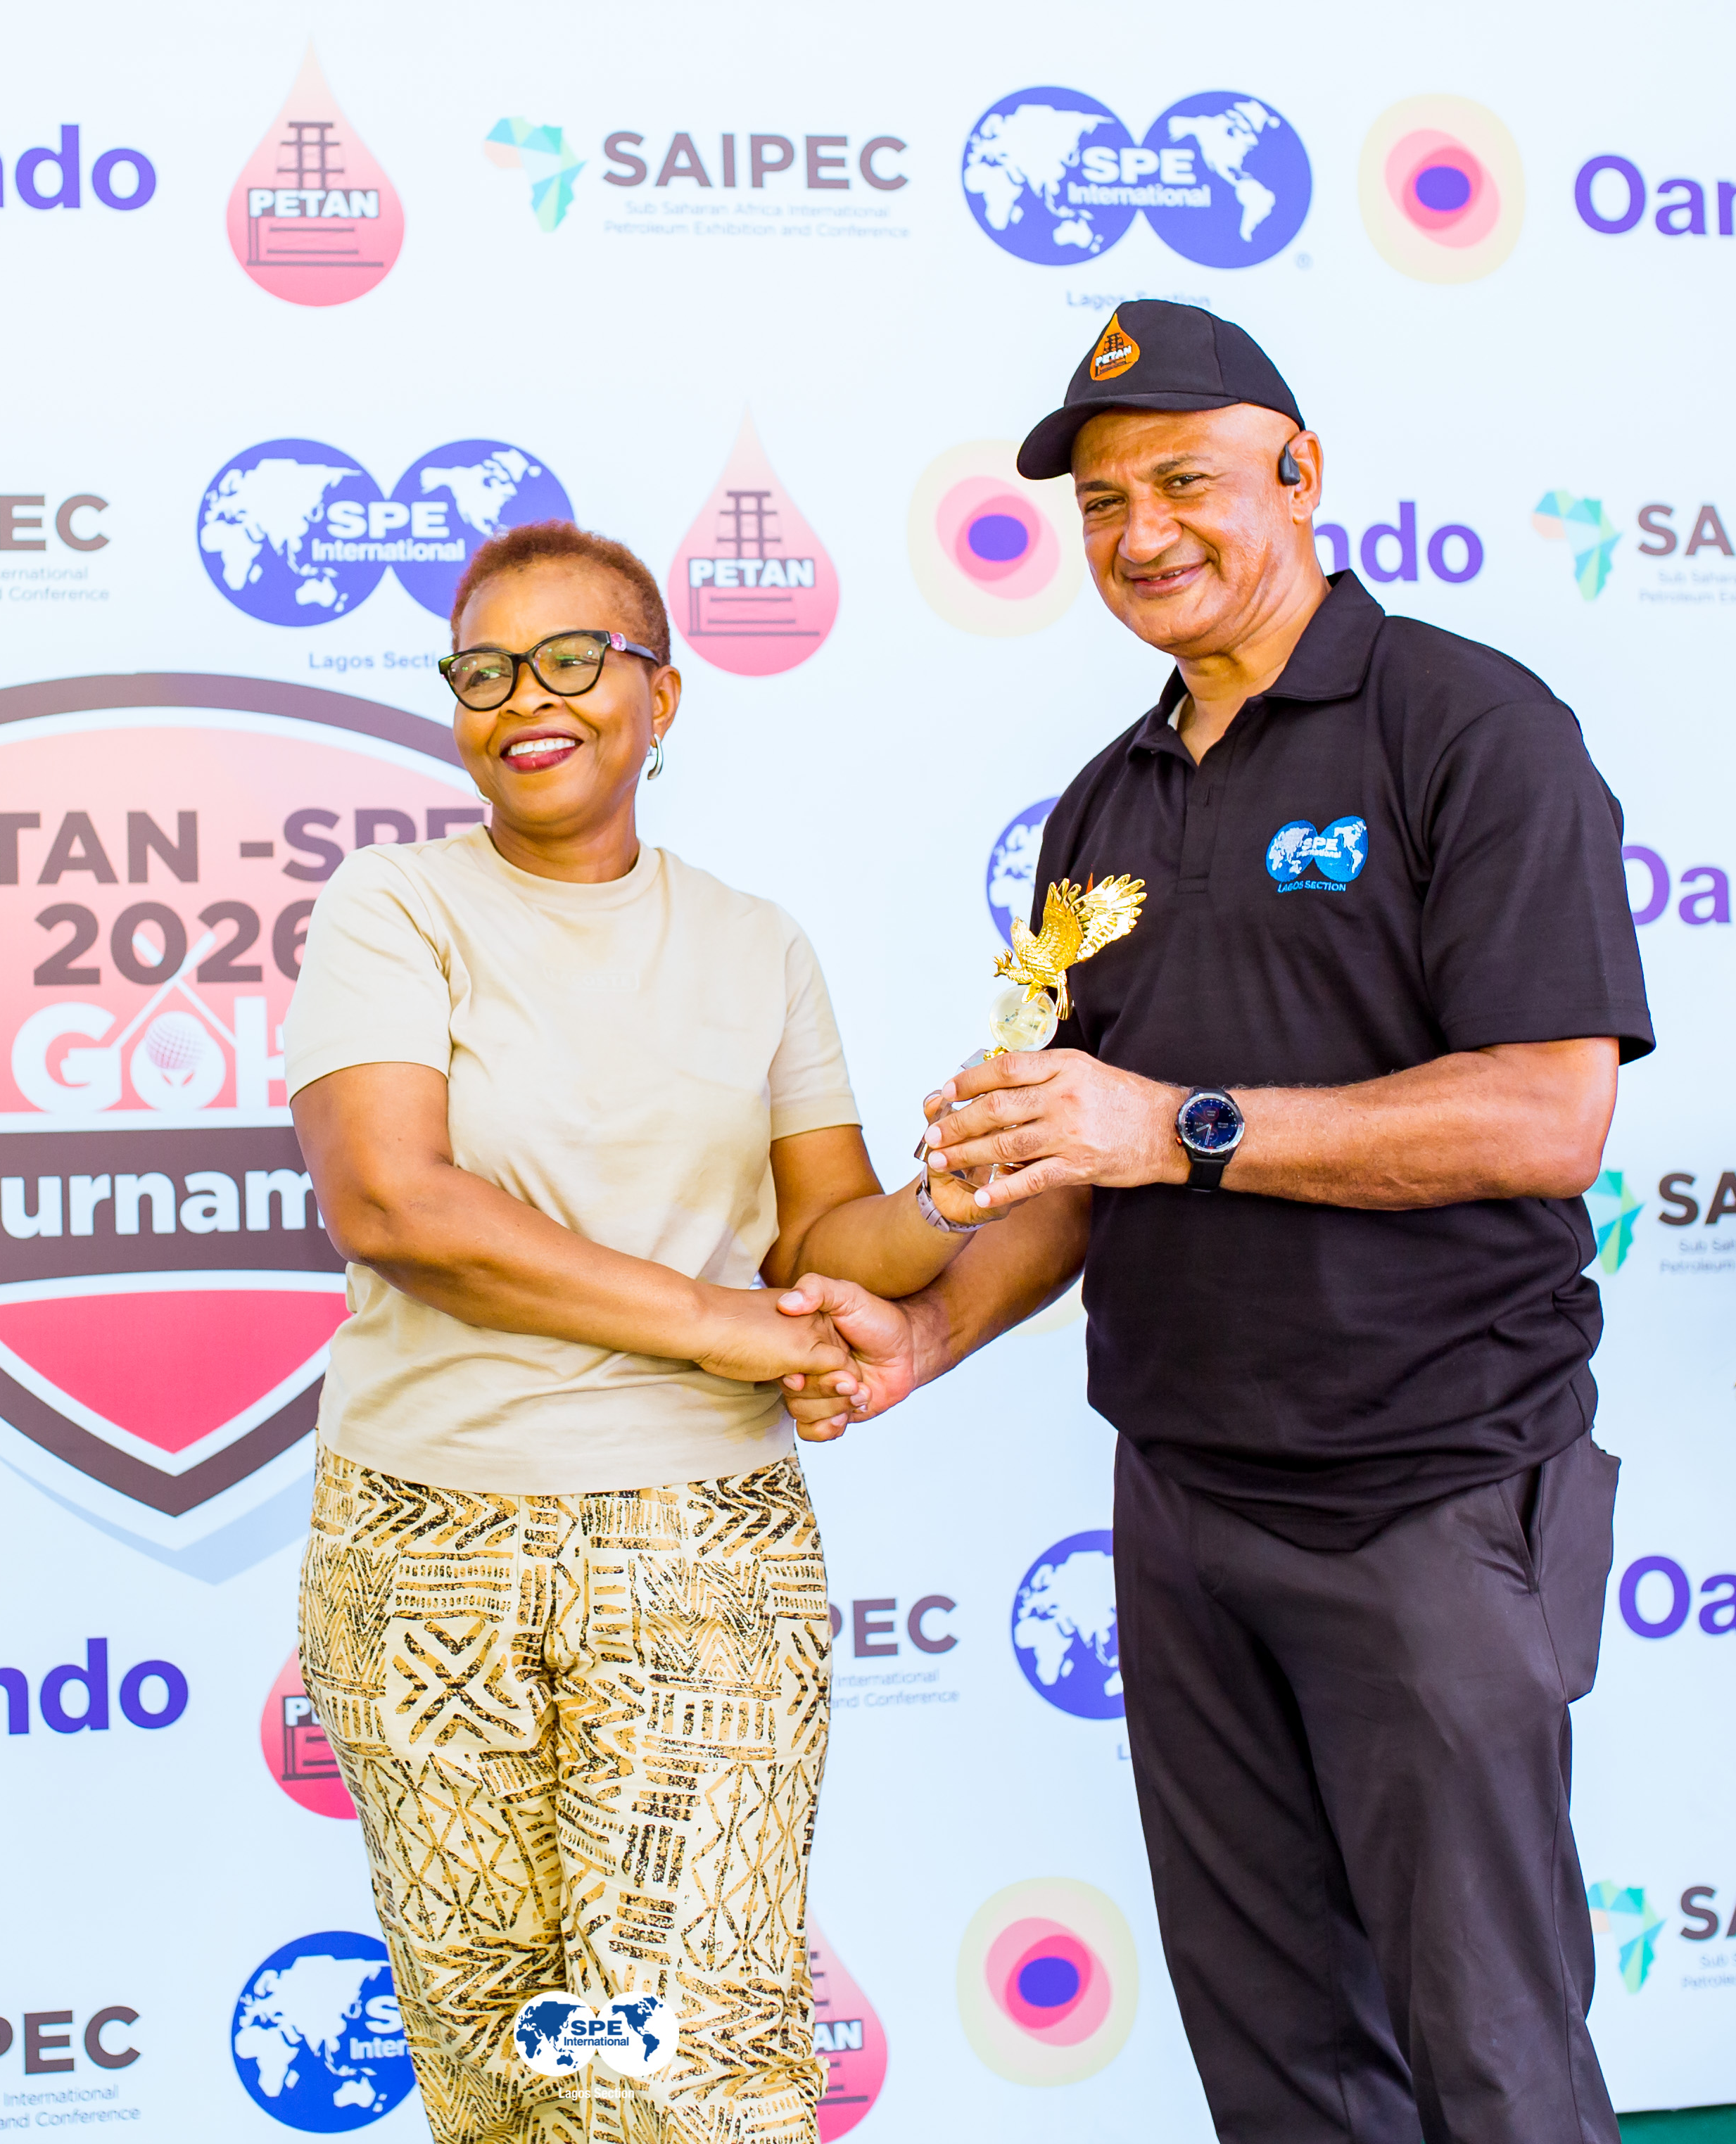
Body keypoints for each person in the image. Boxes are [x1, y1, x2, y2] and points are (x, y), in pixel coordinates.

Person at [780, 303, 1654, 2144]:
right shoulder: (1103, 807)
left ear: (1299, 473)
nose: (1141, 533)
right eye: (1102, 505)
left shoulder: (1467, 726)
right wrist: (927, 1329)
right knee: (1279, 2067)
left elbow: (1544, 1112)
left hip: (1426, 1485)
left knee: (1490, 2054)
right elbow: (1073, 1167)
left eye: (1183, 481)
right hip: (1182, 1498)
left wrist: (1171, 1123)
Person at [284, 520, 1011, 2143]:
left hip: (704, 1557)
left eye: (571, 660)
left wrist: (958, 1195)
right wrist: (716, 1324)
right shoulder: (394, 906)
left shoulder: (757, 944)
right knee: (500, 2077)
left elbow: (827, 1240)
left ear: (661, 696)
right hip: (421, 1552)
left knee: (689, 2075)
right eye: (484, 672)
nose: (524, 700)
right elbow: (393, 1202)